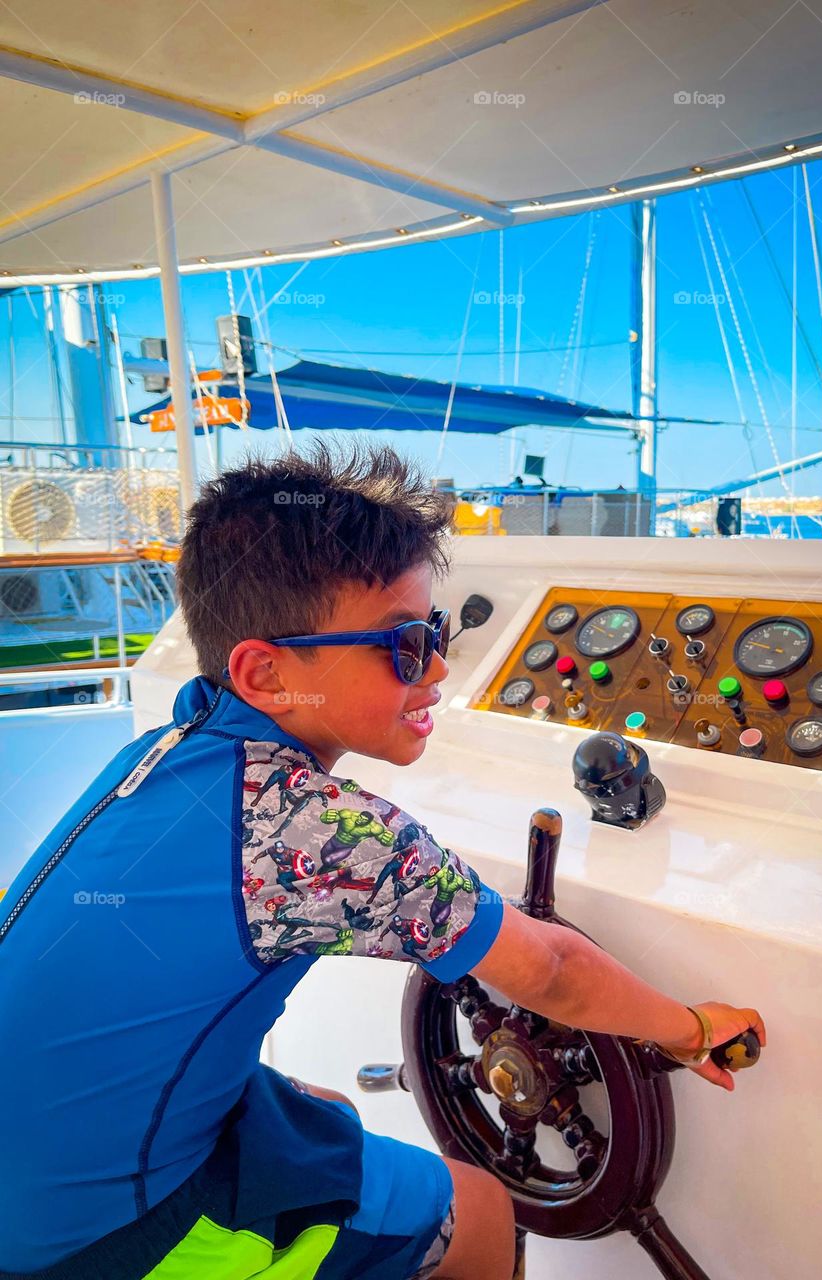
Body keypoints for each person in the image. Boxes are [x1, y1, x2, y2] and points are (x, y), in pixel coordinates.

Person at [0, 443, 767, 1280]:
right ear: (266, 672)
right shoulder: (319, 832)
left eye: (436, 632)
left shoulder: (169, 747)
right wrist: (691, 1030)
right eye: (403, 645)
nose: (437, 668)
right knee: (476, 1207)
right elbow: (548, 972)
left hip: (39, 1165)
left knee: (325, 1110)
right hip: (96, 1236)